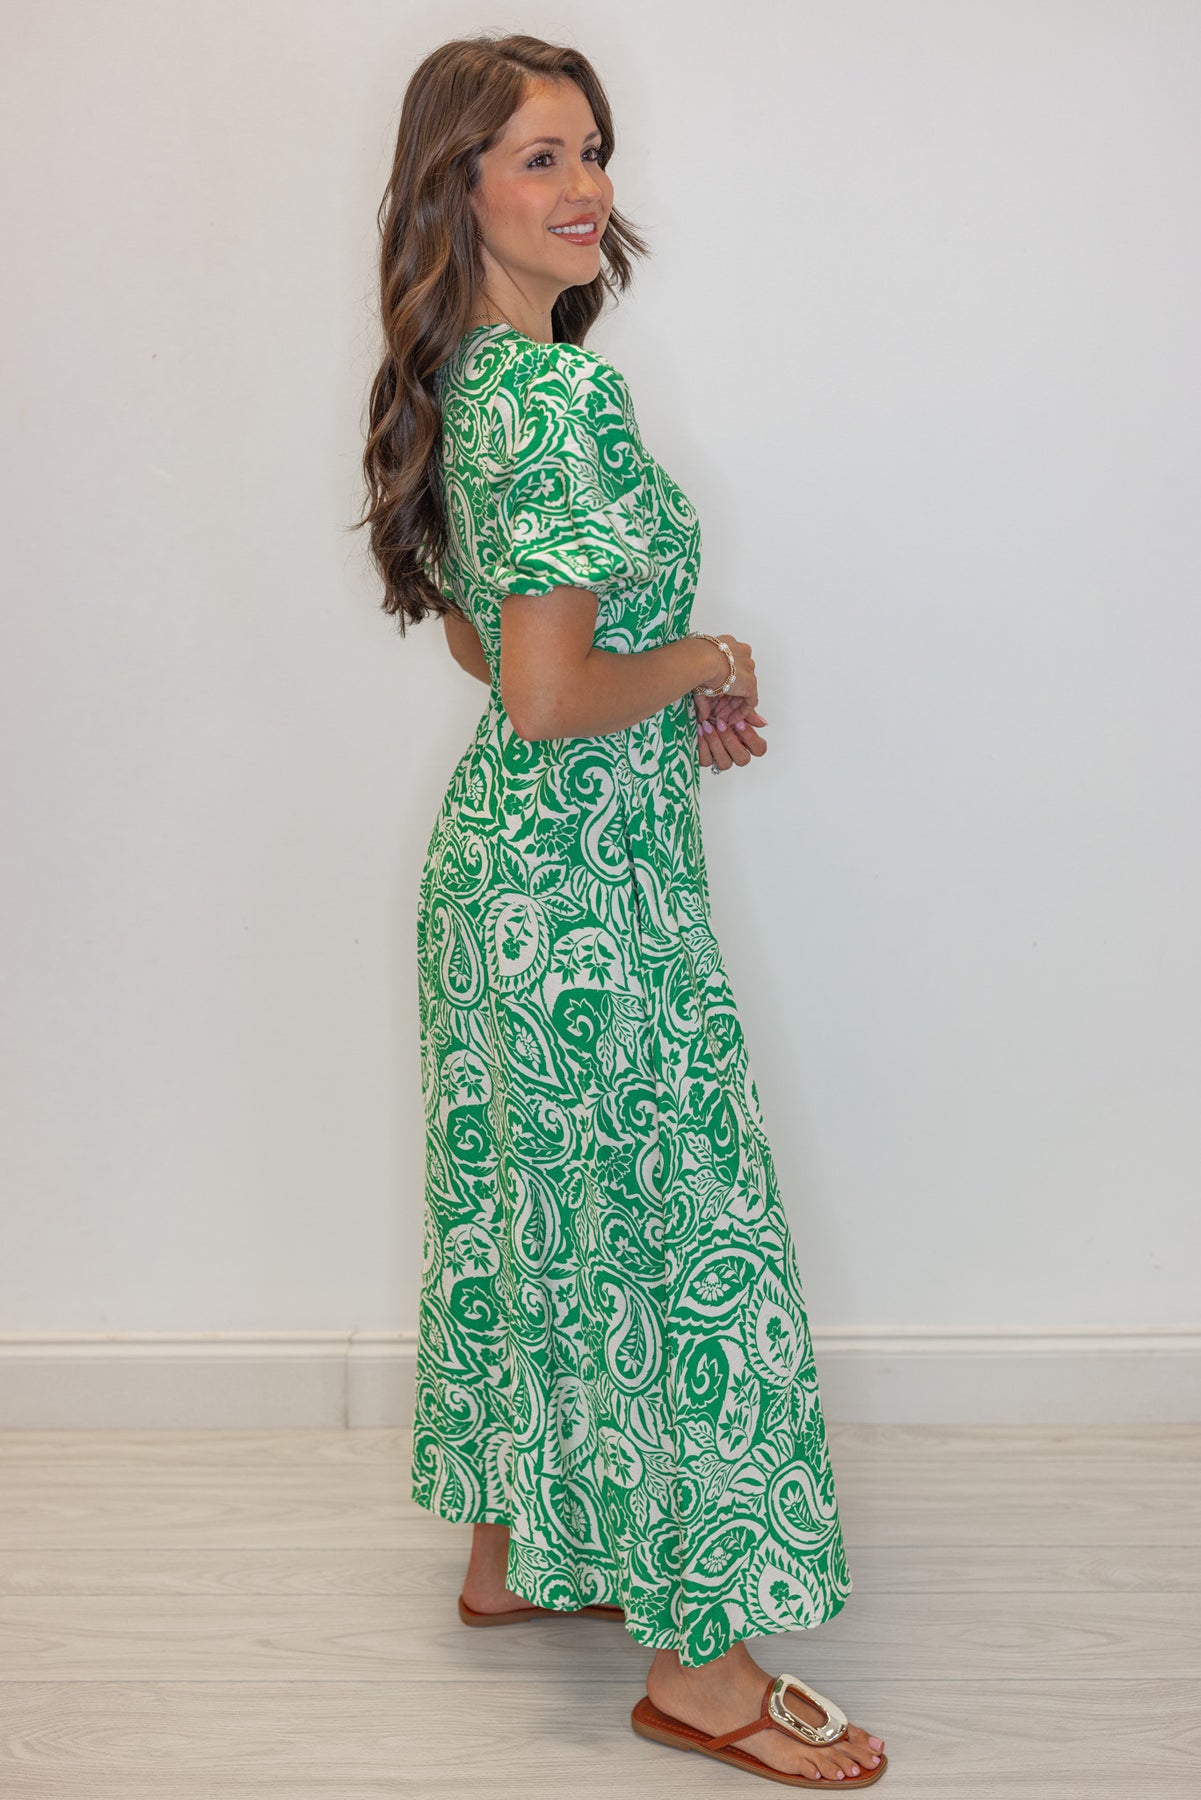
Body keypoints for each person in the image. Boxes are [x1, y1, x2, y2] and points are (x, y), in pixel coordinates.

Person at [357, 31, 888, 1789]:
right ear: (455, 189)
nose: (585, 186)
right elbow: (546, 694)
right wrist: (708, 659)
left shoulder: (459, 384)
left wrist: (636, 688)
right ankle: (701, 1676)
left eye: (591, 150)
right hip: (580, 905)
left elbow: (480, 642)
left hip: (503, 887)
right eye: (538, 157)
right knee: (663, 1244)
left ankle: (512, 1558)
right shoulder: (557, 402)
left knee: (535, 1223)